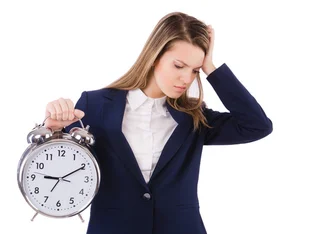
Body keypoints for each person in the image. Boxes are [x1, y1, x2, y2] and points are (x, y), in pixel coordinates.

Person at [43, 12, 272, 234]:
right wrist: (51, 128)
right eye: (179, 65)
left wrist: (211, 68)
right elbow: (52, 163)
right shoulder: (95, 104)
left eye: (195, 70)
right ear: (154, 57)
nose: (187, 79)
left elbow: (257, 125)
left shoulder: (194, 117)